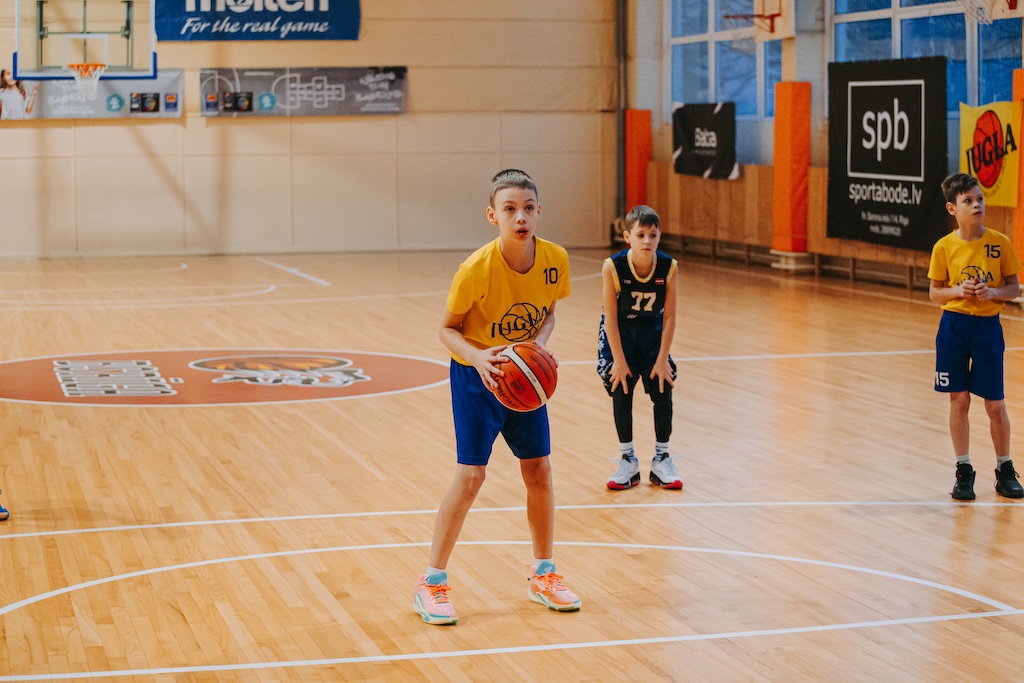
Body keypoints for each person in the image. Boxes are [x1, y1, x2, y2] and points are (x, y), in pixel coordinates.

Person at [413, 169, 580, 625]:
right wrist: (479, 359)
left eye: (528, 208)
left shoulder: (555, 259)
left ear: (539, 211)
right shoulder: (476, 269)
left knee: (539, 470)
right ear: (493, 216)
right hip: (477, 376)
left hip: (522, 378)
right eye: (509, 209)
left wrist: (537, 347)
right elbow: (446, 330)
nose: (520, 217)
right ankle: (431, 582)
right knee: (471, 477)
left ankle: (544, 574)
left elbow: (548, 314)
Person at [928, 172, 1023, 501]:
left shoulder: (1000, 243)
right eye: (968, 200)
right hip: (954, 328)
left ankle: (1005, 468)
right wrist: (958, 290)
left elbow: (1013, 287)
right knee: (960, 400)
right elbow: (935, 293)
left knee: (995, 403)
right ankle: (964, 469)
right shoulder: (944, 247)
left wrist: (993, 292)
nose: (976, 205)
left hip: (987, 328)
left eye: (979, 198)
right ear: (952, 208)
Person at [598, 205, 682, 490]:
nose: (647, 241)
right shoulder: (613, 267)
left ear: (659, 237)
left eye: (653, 235)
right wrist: (619, 361)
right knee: (620, 385)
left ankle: (662, 459)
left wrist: (662, 359)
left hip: (652, 332)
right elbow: (609, 318)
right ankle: (627, 460)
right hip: (619, 334)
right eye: (641, 235)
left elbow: (669, 317)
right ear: (627, 237)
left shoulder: (668, 267)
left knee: (663, 383)